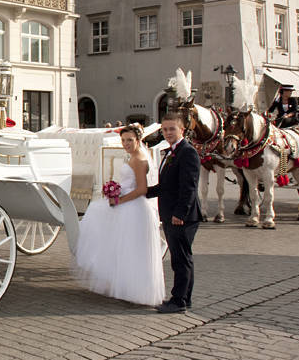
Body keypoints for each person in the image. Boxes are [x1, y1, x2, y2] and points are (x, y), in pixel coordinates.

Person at [71, 124, 166, 306]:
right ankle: (124, 285)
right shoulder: (134, 156)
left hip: (134, 206)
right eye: (123, 140)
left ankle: (132, 288)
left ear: (138, 140)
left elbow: (141, 189)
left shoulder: (139, 159)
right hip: (128, 202)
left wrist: (119, 200)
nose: (126, 143)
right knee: (124, 247)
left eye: (130, 140)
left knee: (125, 243)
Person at [146, 113, 203, 313]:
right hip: (171, 213)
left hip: (182, 216)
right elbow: (166, 186)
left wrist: (180, 213)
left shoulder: (187, 152)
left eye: (172, 129)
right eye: (165, 129)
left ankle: (178, 301)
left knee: (181, 259)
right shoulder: (171, 152)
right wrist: (142, 192)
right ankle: (183, 299)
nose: (168, 132)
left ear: (182, 130)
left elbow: (189, 187)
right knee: (180, 258)